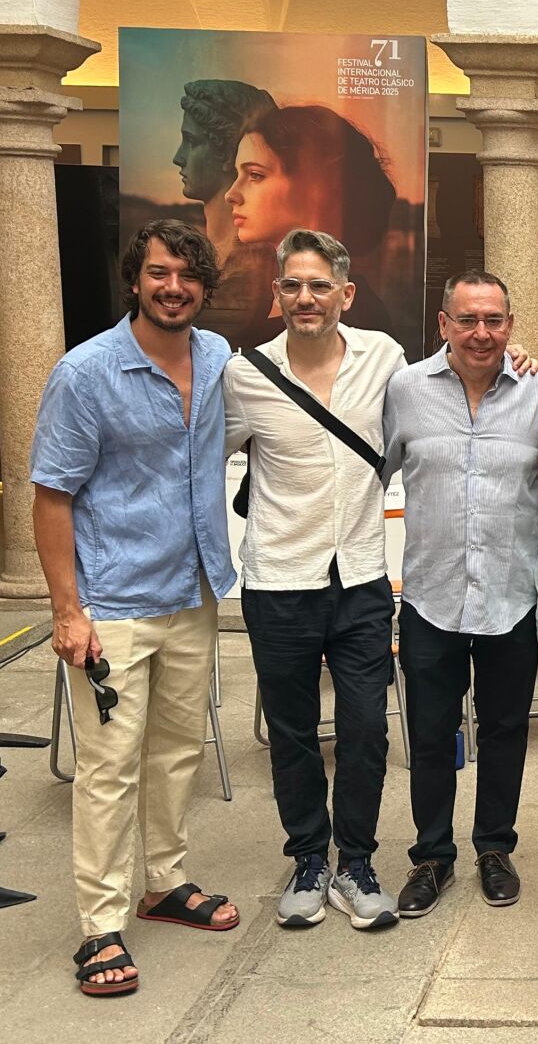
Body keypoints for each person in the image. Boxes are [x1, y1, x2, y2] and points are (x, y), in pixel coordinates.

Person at [32, 219, 242, 997]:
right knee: (109, 767)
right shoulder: (85, 373)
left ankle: (164, 882)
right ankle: (99, 925)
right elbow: (51, 495)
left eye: (187, 275)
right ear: (134, 279)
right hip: (113, 603)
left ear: (205, 286)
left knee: (178, 750)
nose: (173, 287)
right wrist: (67, 611)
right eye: (159, 273)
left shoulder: (217, 357)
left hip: (193, 590)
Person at [224, 229, 403, 930]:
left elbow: (447, 388)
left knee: (365, 728)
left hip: (361, 578)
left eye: (320, 285)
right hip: (279, 580)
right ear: (277, 294)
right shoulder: (245, 375)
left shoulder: (384, 358)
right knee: (293, 731)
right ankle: (307, 858)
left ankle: (355, 861)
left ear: (345, 294)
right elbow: (200, 455)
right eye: (293, 285)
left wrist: (516, 359)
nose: (306, 297)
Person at [380, 270, 538, 919]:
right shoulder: (405, 389)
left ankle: (494, 847)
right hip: (432, 596)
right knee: (430, 733)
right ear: (444, 324)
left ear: (510, 325)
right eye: (468, 319)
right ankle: (431, 855)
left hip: (512, 595)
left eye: (494, 320)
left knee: (506, 729)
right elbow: (371, 474)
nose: (482, 333)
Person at [224, 105, 398, 336]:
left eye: (256, 175)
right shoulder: (265, 295)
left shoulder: (358, 317)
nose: (231, 195)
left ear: (320, 185)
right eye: (238, 175)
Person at [173, 80, 277, 336]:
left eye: (191, 141)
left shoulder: (258, 266)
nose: (178, 157)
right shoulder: (196, 253)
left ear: (229, 153)